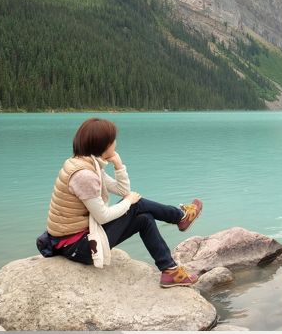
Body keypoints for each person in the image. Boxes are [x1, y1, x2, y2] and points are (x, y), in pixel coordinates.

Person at [42, 117, 202, 287]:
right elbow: (103, 216)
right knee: (136, 205)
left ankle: (170, 271)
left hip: (82, 237)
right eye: (113, 140)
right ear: (104, 145)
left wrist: (118, 164)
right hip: (77, 247)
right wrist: (129, 202)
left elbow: (122, 190)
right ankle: (181, 217)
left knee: (144, 218)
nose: (115, 143)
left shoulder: (85, 163)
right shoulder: (84, 175)